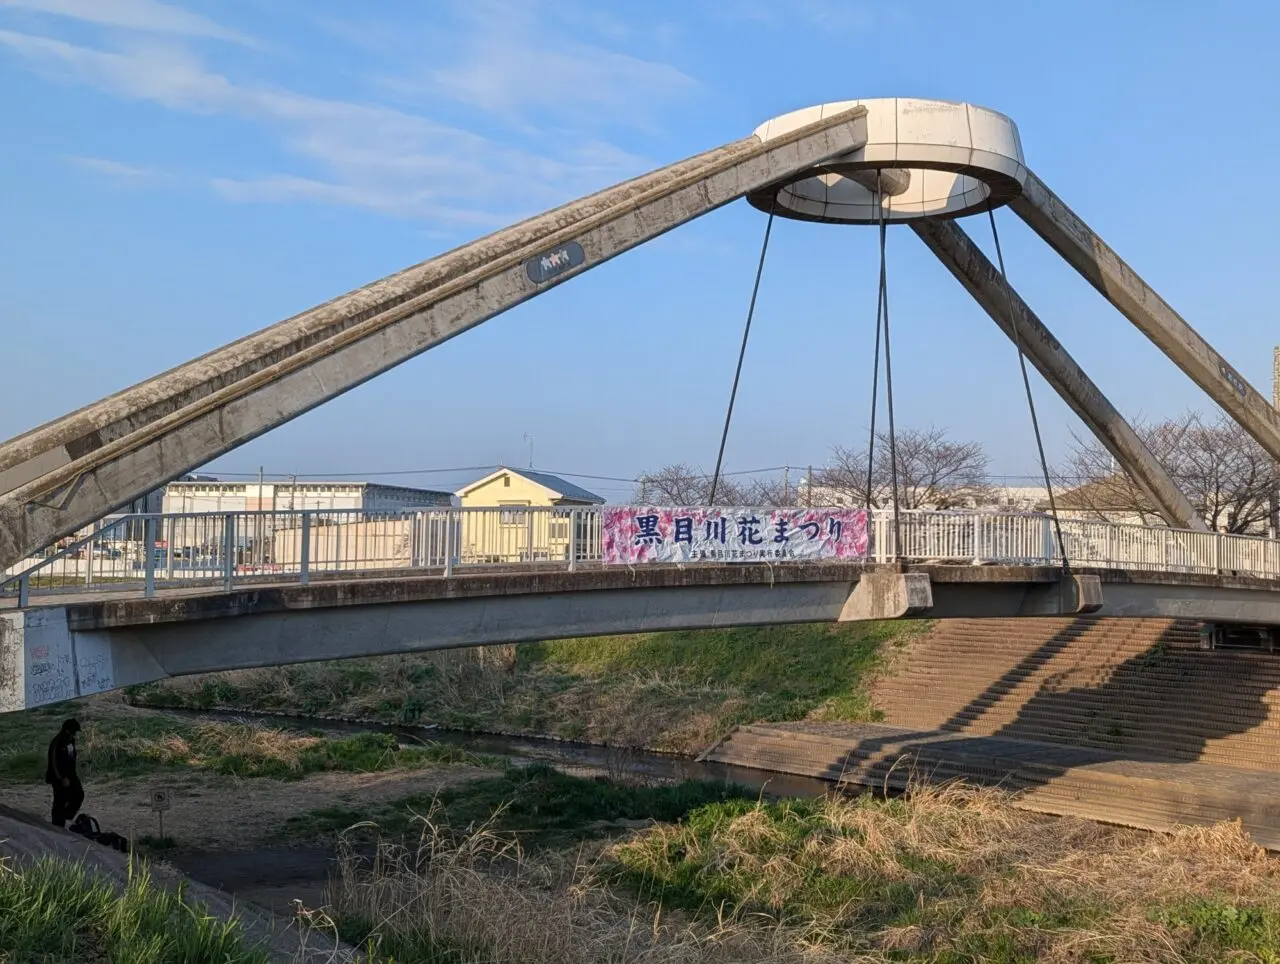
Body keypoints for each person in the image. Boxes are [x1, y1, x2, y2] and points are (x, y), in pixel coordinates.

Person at [46, 718, 83, 828]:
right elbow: (54, 763)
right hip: (59, 777)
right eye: (74, 732)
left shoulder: (71, 741)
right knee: (60, 800)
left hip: (71, 774)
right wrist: (61, 778)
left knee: (79, 794)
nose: (74, 735)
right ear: (68, 731)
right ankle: (57, 825)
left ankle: (66, 817)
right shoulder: (57, 742)